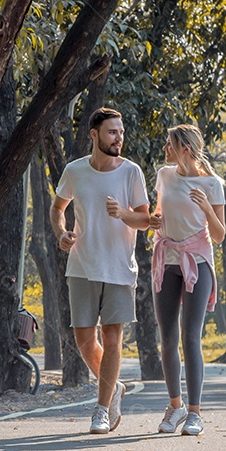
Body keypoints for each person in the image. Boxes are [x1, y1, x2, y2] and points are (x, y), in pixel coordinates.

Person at [51, 108, 150, 434]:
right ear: (94, 135)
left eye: (120, 132)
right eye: (111, 132)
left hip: (119, 266)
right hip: (81, 264)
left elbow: (145, 220)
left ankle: (102, 407)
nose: (118, 138)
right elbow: (57, 208)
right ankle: (115, 386)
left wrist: (123, 213)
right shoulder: (75, 171)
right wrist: (61, 233)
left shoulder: (131, 172)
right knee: (83, 340)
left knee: (112, 335)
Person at [148, 124, 226, 436]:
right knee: (167, 337)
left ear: (185, 149)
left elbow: (219, 235)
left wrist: (207, 207)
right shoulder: (164, 176)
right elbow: (159, 211)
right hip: (166, 258)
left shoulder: (212, 183)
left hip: (198, 260)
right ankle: (175, 405)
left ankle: (195, 413)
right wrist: (154, 219)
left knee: (191, 337)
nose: (164, 148)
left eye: (169, 144)